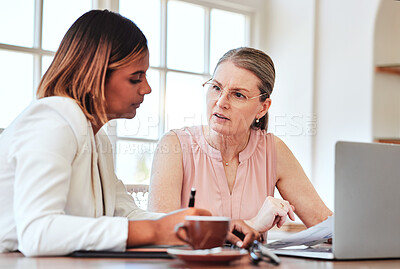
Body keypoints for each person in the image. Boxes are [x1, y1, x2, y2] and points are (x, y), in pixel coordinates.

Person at [0, 10, 258, 256]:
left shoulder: (96, 136)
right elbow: (37, 233)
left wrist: (206, 227)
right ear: (95, 75)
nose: (146, 89)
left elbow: (125, 214)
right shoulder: (53, 119)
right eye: (136, 78)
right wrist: (157, 230)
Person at [148, 47, 332, 235]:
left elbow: (326, 226)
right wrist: (252, 225)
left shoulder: (273, 150)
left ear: (262, 108)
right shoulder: (174, 145)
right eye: (216, 88)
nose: (220, 102)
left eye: (238, 95)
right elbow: (161, 234)